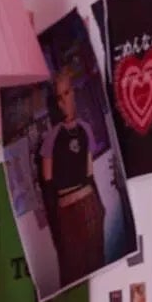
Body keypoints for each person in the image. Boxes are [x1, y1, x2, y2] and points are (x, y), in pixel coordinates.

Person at [40, 67, 105, 290]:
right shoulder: (51, 138)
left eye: (66, 93)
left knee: (97, 263)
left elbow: (89, 173)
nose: (63, 101)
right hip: (67, 214)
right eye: (59, 97)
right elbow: (48, 186)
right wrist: (57, 228)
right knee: (73, 273)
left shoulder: (85, 129)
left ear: (73, 93)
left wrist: (100, 206)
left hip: (89, 206)